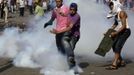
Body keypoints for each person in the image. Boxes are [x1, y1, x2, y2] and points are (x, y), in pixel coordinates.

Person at [106, 1, 131, 70]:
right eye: (110, 6)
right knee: (114, 45)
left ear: (116, 5)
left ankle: (114, 64)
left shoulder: (121, 13)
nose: (111, 7)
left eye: (112, 5)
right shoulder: (116, 14)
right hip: (120, 31)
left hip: (126, 31)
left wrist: (115, 33)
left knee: (118, 46)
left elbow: (124, 26)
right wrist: (108, 32)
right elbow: (115, 24)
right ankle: (121, 61)